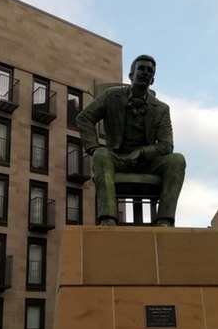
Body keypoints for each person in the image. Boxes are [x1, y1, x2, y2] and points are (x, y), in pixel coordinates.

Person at [76, 54, 186, 226]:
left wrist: (142, 152)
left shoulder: (162, 109)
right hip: (117, 158)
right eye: (141, 68)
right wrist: (94, 148)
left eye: (150, 71)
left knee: (177, 160)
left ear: (153, 79)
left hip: (147, 162)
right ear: (131, 75)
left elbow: (167, 145)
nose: (145, 73)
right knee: (101, 156)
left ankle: (164, 220)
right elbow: (84, 118)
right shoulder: (111, 96)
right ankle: (108, 219)